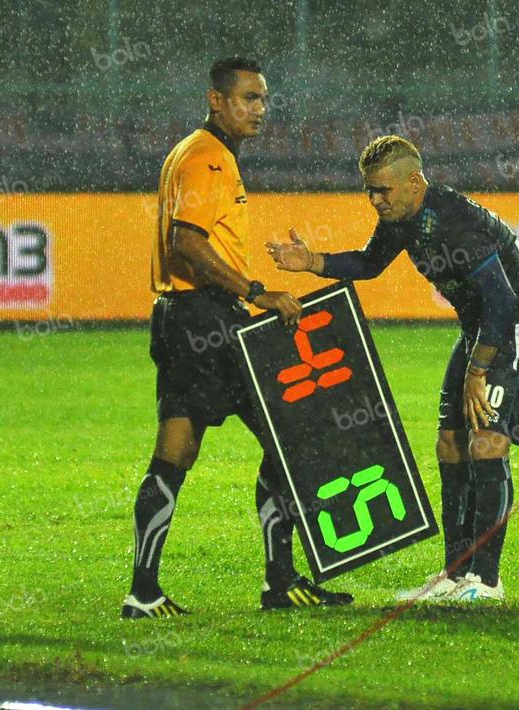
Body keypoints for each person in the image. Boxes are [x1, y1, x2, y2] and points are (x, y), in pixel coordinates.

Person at [267, 135, 519, 602]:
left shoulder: (455, 224)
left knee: (486, 442)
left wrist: (477, 372)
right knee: (450, 445)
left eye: (384, 190)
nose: (376, 200)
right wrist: (312, 262)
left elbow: (503, 299)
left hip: (517, 324)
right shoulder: (404, 219)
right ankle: (456, 574)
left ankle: (486, 580)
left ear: (414, 183)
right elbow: (369, 262)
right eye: (370, 191)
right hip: (479, 327)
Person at [123, 57, 353, 619]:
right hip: (206, 317)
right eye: (249, 98)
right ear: (216, 100)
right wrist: (257, 291)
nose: (260, 110)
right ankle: (281, 580)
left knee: (175, 452)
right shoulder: (209, 159)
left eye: (264, 99)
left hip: (178, 318)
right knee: (290, 433)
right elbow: (188, 243)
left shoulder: (191, 151)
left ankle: (143, 590)